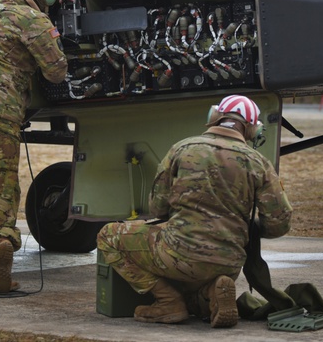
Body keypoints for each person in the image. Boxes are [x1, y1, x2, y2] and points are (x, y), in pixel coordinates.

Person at [97, 94, 292, 328]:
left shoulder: (182, 149)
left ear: (215, 117)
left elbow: (157, 208)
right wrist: (248, 229)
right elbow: (279, 222)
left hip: (179, 254)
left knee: (108, 236)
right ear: (252, 128)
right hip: (229, 264)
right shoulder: (259, 163)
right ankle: (213, 290)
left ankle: (168, 301)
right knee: (195, 301)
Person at [0, 0, 80, 293]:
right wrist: (52, 20)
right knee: (2, 188)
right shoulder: (35, 22)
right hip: (1, 109)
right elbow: (57, 72)